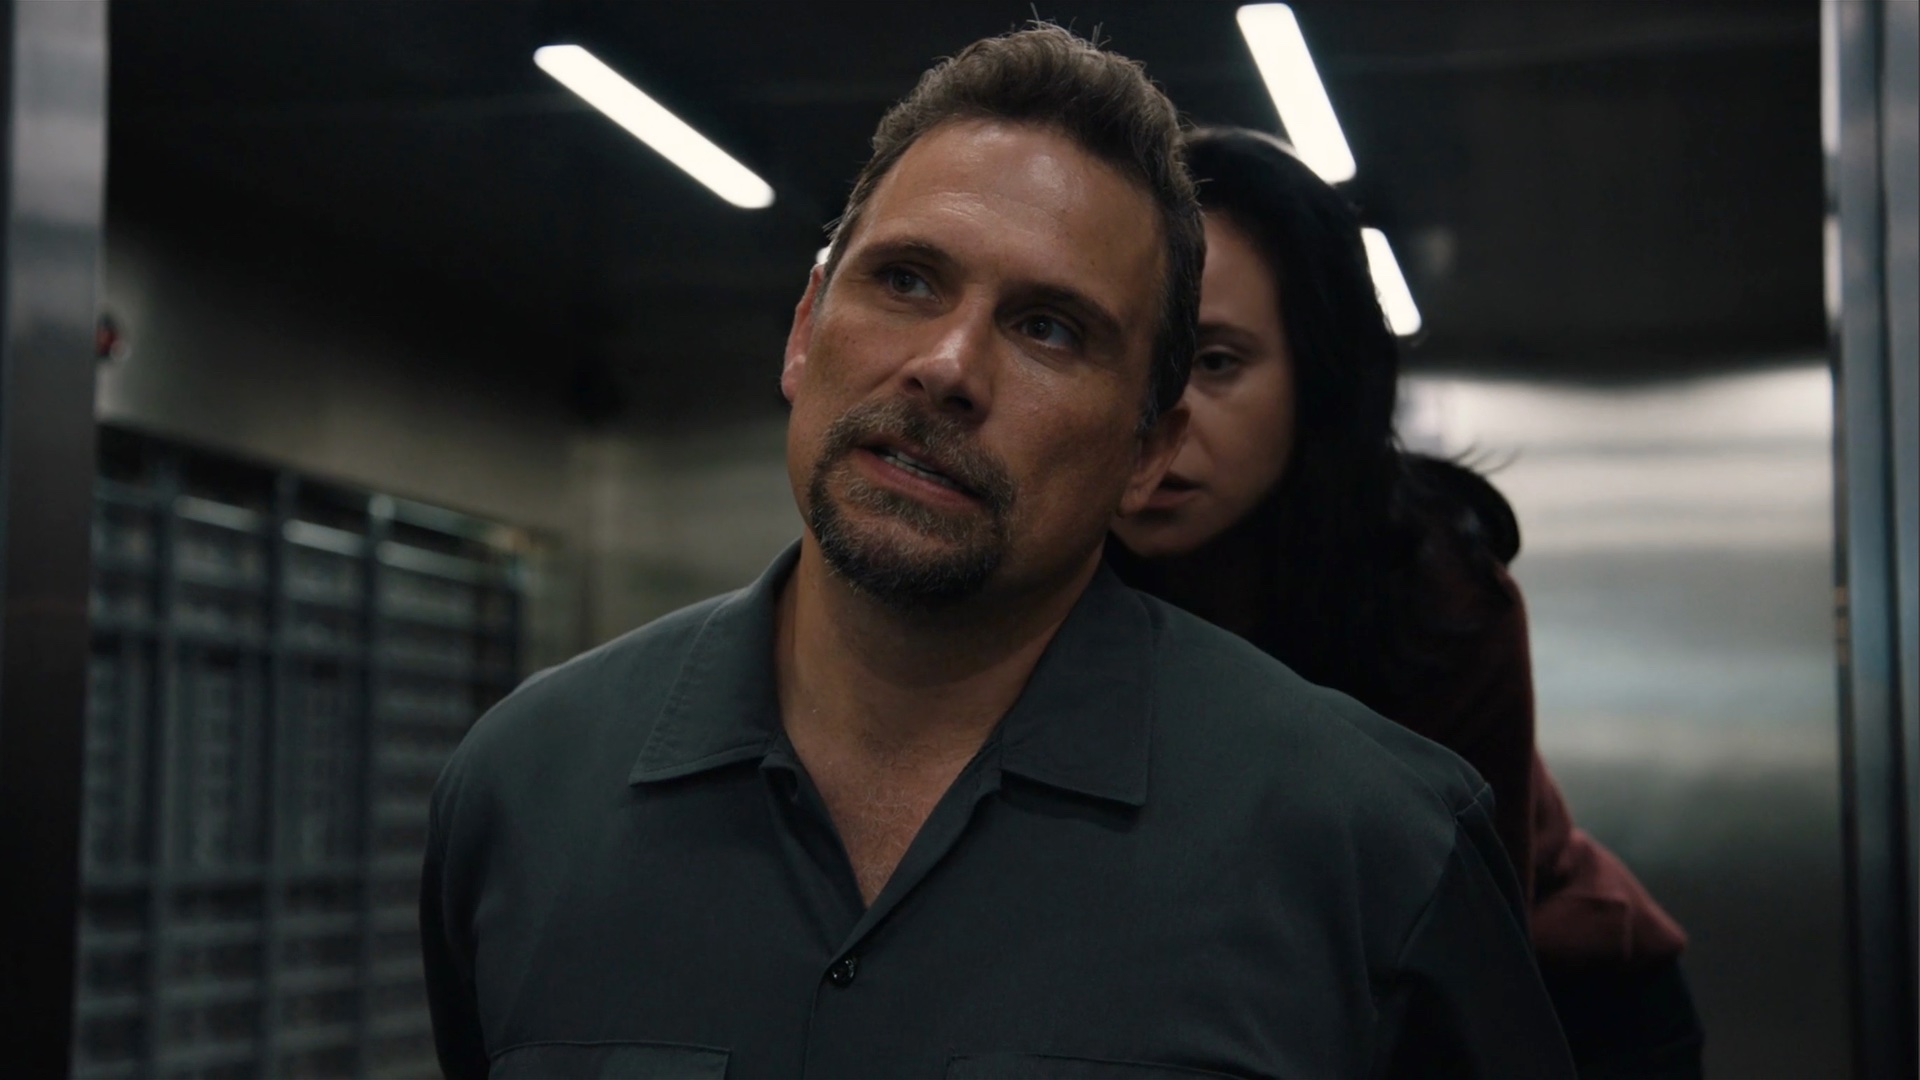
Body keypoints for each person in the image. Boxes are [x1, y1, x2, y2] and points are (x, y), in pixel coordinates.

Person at [422, 29, 1572, 1080]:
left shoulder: (1378, 855)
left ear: (1148, 449)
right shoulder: (522, 790)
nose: (948, 367)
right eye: (907, 280)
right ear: (805, 329)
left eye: (1049, 328)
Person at [1109, 126, 1702, 1080]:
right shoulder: (1052, 574)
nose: (1162, 416)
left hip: (1561, 1007)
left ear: (1318, 375)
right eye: (1130, 357)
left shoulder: (1433, 592)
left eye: (1216, 362)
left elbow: (1448, 952)